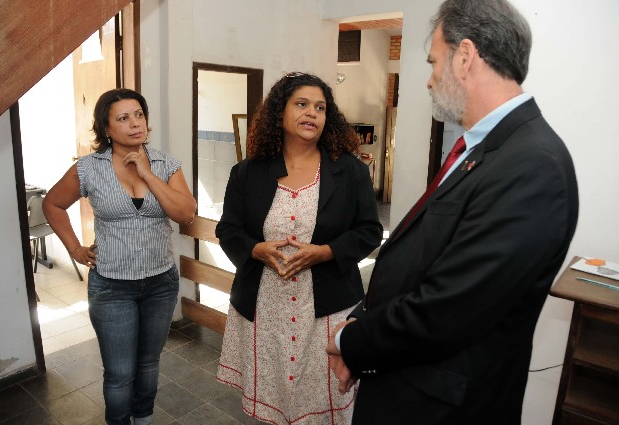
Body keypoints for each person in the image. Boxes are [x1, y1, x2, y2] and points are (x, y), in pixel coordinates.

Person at [326, 1, 579, 424]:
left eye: (433, 62)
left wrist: (351, 340)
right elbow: (423, 257)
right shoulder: (487, 149)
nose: (429, 80)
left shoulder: (532, 165)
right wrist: (362, 319)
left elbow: (448, 309)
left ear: (464, 57)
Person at [215, 72, 383, 424]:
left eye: (320, 108)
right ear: (280, 113)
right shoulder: (248, 172)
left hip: (328, 307)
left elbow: (370, 231)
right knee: (276, 403)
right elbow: (228, 230)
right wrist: (256, 250)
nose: (312, 113)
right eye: (302, 104)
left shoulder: (350, 171)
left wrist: (325, 252)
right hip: (267, 309)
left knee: (327, 402)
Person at [43, 88, 196, 425]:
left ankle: (143, 419)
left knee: (149, 363)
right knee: (119, 372)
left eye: (139, 115)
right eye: (123, 118)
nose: (135, 123)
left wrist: (147, 173)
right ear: (107, 128)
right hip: (112, 286)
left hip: (160, 283)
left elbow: (185, 213)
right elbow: (52, 204)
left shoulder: (165, 164)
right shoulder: (89, 168)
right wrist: (75, 249)